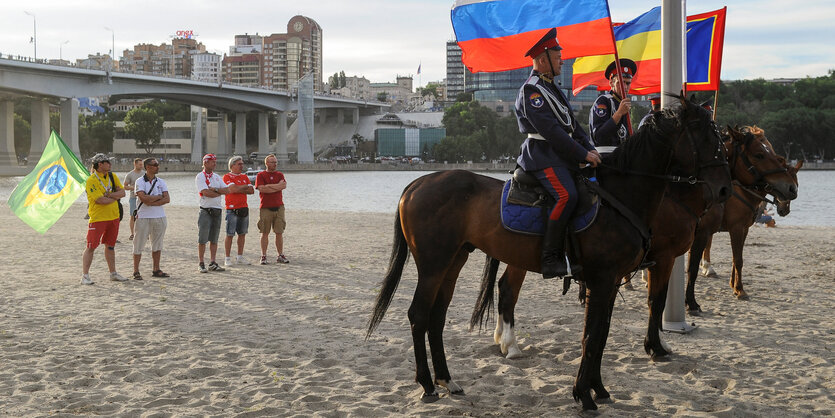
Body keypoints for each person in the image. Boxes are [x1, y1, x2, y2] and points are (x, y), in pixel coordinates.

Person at [514, 28, 601, 279]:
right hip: (541, 156)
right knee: (567, 196)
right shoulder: (532, 91)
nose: (562, 60)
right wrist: (583, 155)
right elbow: (553, 133)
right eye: (557, 55)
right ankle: (550, 258)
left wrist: (590, 147)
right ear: (543, 60)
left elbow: (573, 126)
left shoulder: (551, 87)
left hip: (559, 155)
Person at [82, 153, 128, 285]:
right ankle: (85, 276)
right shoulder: (92, 180)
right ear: (99, 164)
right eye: (107, 162)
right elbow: (100, 200)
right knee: (91, 247)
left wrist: (110, 195)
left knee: (110, 246)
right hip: (98, 218)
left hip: (114, 217)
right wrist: (114, 197)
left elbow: (123, 193)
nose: (110, 164)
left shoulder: (112, 176)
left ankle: (113, 273)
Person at [132, 157, 170, 280]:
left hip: (159, 216)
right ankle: (136, 271)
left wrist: (153, 201)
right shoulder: (140, 181)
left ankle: (156, 268)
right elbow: (143, 198)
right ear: (147, 167)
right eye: (155, 165)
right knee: (138, 243)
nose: (157, 167)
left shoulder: (161, 181)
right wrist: (158, 197)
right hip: (143, 217)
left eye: (158, 164)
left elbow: (167, 199)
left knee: (157, 244)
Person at [589, 58, 638, 148]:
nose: (625, 87)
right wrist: (619, 113)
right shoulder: (603, 101)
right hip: (607, 155)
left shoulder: (623, 104)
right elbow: (599, 137)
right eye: (621, 82)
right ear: (611, 82)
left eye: (628, 83)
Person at [195, 154, 230, 273]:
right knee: (202, 238)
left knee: (214, 238)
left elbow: (227, 190)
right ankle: (201, 262)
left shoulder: (216, 177)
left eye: (215, 161)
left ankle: (213, 262)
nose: (214, 164)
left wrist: (215, 190)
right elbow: (205, 192)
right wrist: (218, 192)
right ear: (205, 163)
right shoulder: (200, 176)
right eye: (212, 162)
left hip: (217, 210)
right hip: (205, 210)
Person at [255, 154, 289, 265]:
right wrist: (275, 186)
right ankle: (263, 256)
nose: (275, 164)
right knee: (264, 232)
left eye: (275, 162)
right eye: (272, 162)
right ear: (266, 163)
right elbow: (262, 189)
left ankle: (280, 255)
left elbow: (283, 186)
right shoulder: (261, 175)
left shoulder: (280, 174)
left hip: (279, 207)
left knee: (279, 232)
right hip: (265, 207)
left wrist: (269, 186)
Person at [223, 155, 255, 266]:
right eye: (239, 164)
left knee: (242, 234)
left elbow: (251, 191)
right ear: (232, 166)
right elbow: (231, 189)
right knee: (230, 234)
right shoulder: (227, 177)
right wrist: (243, 187)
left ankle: (240, 256)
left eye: (242, 164)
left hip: (243, 208)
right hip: (231, 209)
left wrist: (239, 187)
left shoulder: (245, 177)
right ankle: (227, 257)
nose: (242, 166)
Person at [123, 158, 144, 240]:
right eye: (140, 164)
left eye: (142, 164)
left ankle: (143, 233)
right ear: (135, 164)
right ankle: (132, 233)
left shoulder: (144, 174)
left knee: (143, 216)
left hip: (143, 198)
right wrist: (134, 188)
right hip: (133, 198)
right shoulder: (130, 174)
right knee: (133, 216)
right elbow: (125, 186)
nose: (141, 166)